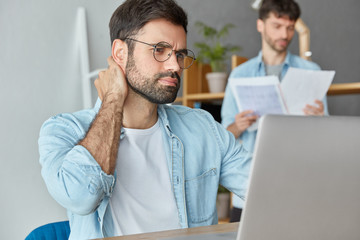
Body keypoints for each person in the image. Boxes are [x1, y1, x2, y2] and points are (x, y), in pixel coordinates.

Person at [38, 0, 251, 239]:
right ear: (120, 53)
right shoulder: (63, 130)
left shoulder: (204, 128)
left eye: (179, 54)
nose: (175, 66)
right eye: (159, 49)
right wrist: (113, 100)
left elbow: (265, 189)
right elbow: (80, 197)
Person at [221, 0, 329, 222]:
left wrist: (321, 121)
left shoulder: (311, 72)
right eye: (277, 26)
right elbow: (223, 137)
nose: (285, 34)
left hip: (299, 186)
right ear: (260, 25)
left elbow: (326, 138)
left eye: (290, 28)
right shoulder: (240, 75)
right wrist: (237, 126)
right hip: (249, 190)